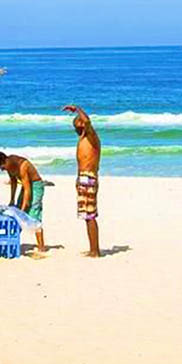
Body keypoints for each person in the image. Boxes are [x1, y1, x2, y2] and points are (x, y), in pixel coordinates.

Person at [63, 104, 102, 258]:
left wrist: (77, 109)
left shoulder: (92, 137)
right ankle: (93, 249)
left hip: (89, 178)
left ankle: (95, 251)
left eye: (77, 122)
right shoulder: (82, 138)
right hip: (83, 178)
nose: (76, 124)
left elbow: (87, 121)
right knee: (86, 216)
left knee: (90, 215)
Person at [0, 151, 47, 253]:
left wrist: (24, 206)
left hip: (35, 185)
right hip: (26, 186)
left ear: (5, 160)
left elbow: (27, 189)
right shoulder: (9, 166)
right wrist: (12, 199)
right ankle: (13, 241)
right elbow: (13, 182)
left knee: (34, 213)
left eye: (2, 168)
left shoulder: (22, 165)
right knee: (16, 212)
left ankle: (41, 247)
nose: (3, 170)